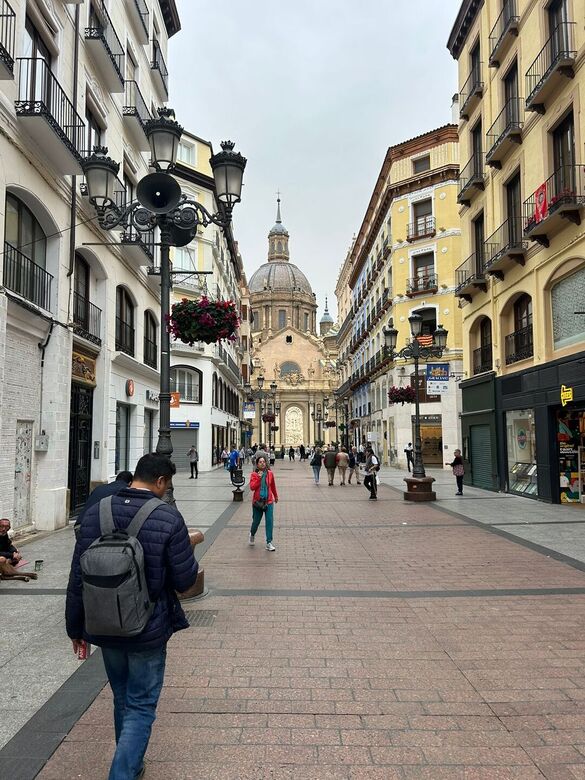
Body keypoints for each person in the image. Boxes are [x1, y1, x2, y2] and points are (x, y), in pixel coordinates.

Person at [66, 454, 198, 780]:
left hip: (104, 624)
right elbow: (185, 581)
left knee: (123, 697)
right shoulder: (167, 517)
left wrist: (75, 627)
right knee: (141, 704)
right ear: (161, 481)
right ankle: (122, 773)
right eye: (167, 485)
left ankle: (134, 764)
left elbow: (77, 577)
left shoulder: (96, 511)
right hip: (147, 628)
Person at [74, 472, 133, 538]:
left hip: (79, 525)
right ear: (130, 483)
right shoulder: (124, 490)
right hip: (93, 528)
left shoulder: (99, 488)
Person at [248, 456, 279, 551]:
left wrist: (275, 496)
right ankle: (252, 534)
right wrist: (259, 478)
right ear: (257, 464)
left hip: (268, 501)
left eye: (263, 462)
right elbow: (252, 487)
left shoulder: (270, 474)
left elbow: (273, 486)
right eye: (260, 462)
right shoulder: (254, 474)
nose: (262, 463)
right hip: (257, 502)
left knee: (269, 521)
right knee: (256, 522)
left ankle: (269, 542)